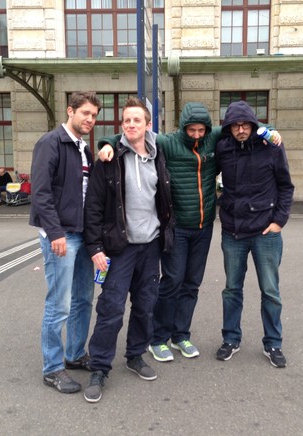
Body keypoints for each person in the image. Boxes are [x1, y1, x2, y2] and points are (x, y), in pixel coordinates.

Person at [97, 103, 282, 363]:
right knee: (171, 282)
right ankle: (158, 338)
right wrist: (106, 143)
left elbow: (243, 124)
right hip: (177, 227)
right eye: (191, 130)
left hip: (203, 228)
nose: (197, 135)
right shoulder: (168, 142)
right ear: (183, 127)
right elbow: (133, 133)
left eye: (201, 130)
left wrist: (269, 130)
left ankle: (181, 335)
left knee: (191, 284)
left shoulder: (213, 137)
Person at [83, 97, 174, 403]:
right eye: (126, 121)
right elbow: (93, 206)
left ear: (148, 125)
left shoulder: (158, 155)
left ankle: (135, 355)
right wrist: (94, 246)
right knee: (110, 309)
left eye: (137, 120)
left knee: (146, 305)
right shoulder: (109, 158)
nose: (131, 125)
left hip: (150, 246)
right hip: (118, 248)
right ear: (121, 125)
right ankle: (99, 368)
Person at [29, 91, 101, 394]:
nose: (90, 119)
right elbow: (41, 193)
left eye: (94, 115)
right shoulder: (51, 143)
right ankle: (52, 368)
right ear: (70, 111)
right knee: (59, 304)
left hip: (83, 235)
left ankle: (74, 354)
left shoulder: (83, 148)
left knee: (84, 299)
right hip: (61, 236)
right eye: (85, 113)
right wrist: (55, 233)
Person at [215, 100, 294, 368]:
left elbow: (286, 185)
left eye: (245, 124)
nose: (240, 129)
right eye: (235, 125)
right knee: (231, 290)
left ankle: (273, 342)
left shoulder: (271, 146)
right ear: (228, 127)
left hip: (265, 231)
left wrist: (279, 221)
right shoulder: (222, 147)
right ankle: (231, 339)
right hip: (233, 230)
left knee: (270, 290)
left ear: (253, 124)